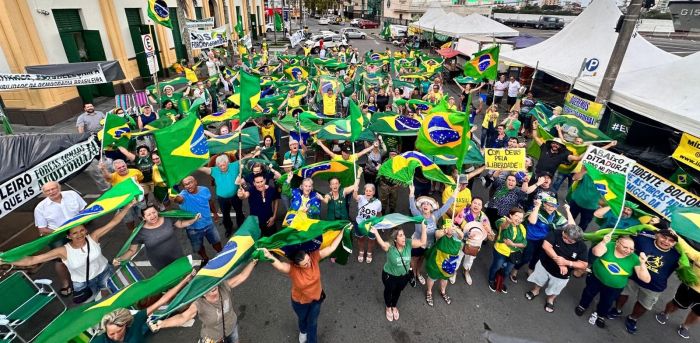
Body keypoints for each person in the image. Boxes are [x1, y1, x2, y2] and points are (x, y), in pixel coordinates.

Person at [2, 201, 136, 303]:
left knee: (118, 296)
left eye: (82, 230)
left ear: (86, 230)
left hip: (105, 272)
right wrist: (6, 259)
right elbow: (32, 260)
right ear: (68, 236)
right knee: (91, 306)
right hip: (84, 284)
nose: (79, 234)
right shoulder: (62, 251)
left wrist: (128, 205)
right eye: (75, 233)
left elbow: (114, 222)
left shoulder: (93, 237)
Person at [260, 226, 346, 343]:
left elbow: (331, 248)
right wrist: (268, 256)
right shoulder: (293, 269)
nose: (309, 264)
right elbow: (280, 265)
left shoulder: (314, 257)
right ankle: (302, 331)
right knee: (302, 319)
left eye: (308, 260)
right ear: (297, 265)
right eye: (305, 264)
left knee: (313, 322)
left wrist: (342, 232)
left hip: (316, 299)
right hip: (300, 302)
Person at [152, 261, 257, 343]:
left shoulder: (223, 286)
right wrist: (162, 324)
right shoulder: (199, 304)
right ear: (202, 291)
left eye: (212, 282)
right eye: (207, 286)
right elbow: (183, 317)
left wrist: (254, 260)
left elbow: (242, 276)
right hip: (213, 337)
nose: (212, 286)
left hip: (232, 327)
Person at [609, 229, 680, 334]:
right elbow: (626, 236)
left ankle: (632, 319)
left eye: (671, 240)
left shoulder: (678, 256)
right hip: (632, 276)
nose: (666, 241)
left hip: (654, 286)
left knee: (644, 305)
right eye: (664, 237)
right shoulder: (642, 239)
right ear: (657, 235)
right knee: (622, 293)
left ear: (674, 243)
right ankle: (617, 309)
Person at [575, 234, 650, 329]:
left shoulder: (634, 258)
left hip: (614, 287)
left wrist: (643, 263)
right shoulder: (609, 245)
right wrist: (603, 242)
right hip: (596, 278)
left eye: (631, 249)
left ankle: (601, 315)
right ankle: (582, 305)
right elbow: (596, 253)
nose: (628, 251)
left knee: (607, 301)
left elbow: (646, 279)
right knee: (588, 293)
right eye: (625, 247)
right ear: (617, 243)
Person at [93, 272, 194, 343]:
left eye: (119, 331)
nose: (116, 337)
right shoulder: (99, 341)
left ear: (126, 324)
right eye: (111, 334)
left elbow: (162, 300)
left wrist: (185, 280)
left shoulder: (137, 319)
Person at [33, 181, 87, 296]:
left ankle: (89, 274)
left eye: (53, 189)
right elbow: (42, 229)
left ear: (59, 188)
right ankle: (65, 283)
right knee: (60, 260)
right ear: (44, 193)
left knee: (87, 250)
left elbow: (84, 211)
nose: (51, 192)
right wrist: (63, 234)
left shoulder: (72, 194)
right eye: (48, 191)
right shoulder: (40, 208)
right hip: (58, 235)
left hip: (77, 230)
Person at [113, 205, 202, 271]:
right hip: (160, 263)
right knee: (170, 283)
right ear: (143, 218)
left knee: (186, 275)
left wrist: (194, 219)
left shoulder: (168, 219)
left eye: (154, 212)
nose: (152, 216)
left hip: (177, 256)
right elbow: (132, 251)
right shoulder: (139, 232)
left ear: (157, 212)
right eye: (148, 215)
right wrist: (120, 259)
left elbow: (181, 224)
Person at [524, 224, 588, 313]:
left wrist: (567, 263)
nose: (565, 240)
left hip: (562, 275)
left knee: (556, 289)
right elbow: (546, 246)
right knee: (539, 280)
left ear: (576, 241)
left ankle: (550, 299)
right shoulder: (556, 232)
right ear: (563, 232)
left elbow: (583, 264)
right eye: (564, 237)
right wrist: (561, 263)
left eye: (569, 241)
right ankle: (536, 290)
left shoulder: (582, 247)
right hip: (544, 264)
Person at [510, 196, 575, 283]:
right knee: (526, 257)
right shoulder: (536, 210)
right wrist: (537, 206)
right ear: (543, 204)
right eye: (548, 205)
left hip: (544, 241)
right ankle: (515, 269)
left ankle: (530, 269)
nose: (550, 208)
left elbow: (572, 227)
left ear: (556, 207)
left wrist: (568, 211)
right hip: (530, 238)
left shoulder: (557, 217)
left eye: (553, 206)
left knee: (537, 257)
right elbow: (532, 221)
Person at [372, 221, 427, 321]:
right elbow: (383, 245)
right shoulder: (390, 246)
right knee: (389, 291)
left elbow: (422, 242)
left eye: (404, 234)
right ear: (395, 239)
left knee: (398, 291)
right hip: (390, 276)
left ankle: (394, 306)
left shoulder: (408, 243)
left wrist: (423, 227)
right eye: (401, 235)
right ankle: (388, 307)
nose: (404, 237)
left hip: (404, 276)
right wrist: (376, 232)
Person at [408, 183, 456, 286]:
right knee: (415, 258)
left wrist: (454, 195)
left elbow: (446, 207)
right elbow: (412, 207)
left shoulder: (435, 215)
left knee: (421, 259)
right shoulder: (418, 215)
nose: (425, 205)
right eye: (423, 204)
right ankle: (412, 272)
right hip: (417, 243)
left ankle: (418, 273)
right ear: (421, 207)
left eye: (428, 204)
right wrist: (411, 193)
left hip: (429, 244)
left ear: (431, 208)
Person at [655, 234, 700, 340]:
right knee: (676, 304)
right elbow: (686, 248)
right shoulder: (698, 255)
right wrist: (675, 235)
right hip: (690, 287)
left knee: (698, 313)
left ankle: (685, 327)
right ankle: (665, 313)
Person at [171, 176, 223, 264]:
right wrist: (172, 196)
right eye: (185, 185)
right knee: (198, 247)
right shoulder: (183, 195)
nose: (188, 186)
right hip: (193, 229)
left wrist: (214, 213)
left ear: (195, 182)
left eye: (189, 183)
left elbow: (210, 201)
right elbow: (178, 199)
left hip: (208, 224)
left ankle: (221, 254)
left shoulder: (205, 190)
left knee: (216, 241)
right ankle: (205, 258)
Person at [198, 154, 242, 237]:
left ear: (228, 163)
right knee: (225, 214)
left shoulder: (234, 165)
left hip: (235, 196)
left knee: (239, 212)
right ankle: (228, 228)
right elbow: (203, 169)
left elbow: (245, 159)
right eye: (220, 165)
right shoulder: (215, 170)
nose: (222, 167)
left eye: (224, 164)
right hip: (222, 198)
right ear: (217, 165)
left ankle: (241, 227)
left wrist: (254, 153)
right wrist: (192, 166)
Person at [455, 197, 493, 285]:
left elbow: (490, 237)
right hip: (462, 239)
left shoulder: (484, 218)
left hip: (475, 243)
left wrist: (489, 230)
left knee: (470, 259)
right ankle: (454, 272)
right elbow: (456, 224)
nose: (476, 205)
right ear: (471, 203)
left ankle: (466, 272)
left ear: (482, 207)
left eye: (479, 204)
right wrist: (463, 232)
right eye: (474, 203)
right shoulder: (464, 212)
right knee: (458, 257)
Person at [488, 207, 527, 294]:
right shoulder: (503, 220)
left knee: (507, 270)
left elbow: (524, 243)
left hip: (513, 254)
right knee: (496, 267)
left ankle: (500, 281)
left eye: (521, 218)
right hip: (500, 251)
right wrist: (507, 222)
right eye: (516, 216)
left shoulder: (522, 228)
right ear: (510, 215)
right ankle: (491, 280)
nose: (519, 219)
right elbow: (501, 226)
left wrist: (513, 245)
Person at [425, 222, 464, 306]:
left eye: (453, 226)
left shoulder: (457, 237)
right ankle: (429, 292)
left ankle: (443, 292)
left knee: (445, 279)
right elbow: (437, 234)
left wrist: (456, 229)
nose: (451, 228)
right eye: (448, 226)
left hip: (450, 263)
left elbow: (462, 235)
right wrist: (445, 230)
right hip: (436, 261)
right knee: (432, 277)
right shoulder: (441, 234)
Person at [354, 179, 382, 264]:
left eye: (370, 191)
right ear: (364, 191)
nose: (368, 192)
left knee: (371, 240)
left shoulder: (378, 203)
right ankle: (361, 251)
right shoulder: (361, 198)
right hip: (360, 224)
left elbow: (379, 213)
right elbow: (355, 196)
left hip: (371, 226)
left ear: (373, 192)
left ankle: (369, 252)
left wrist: (379, 224)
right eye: (366, 190)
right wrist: (355, 189)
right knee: (360, 238)